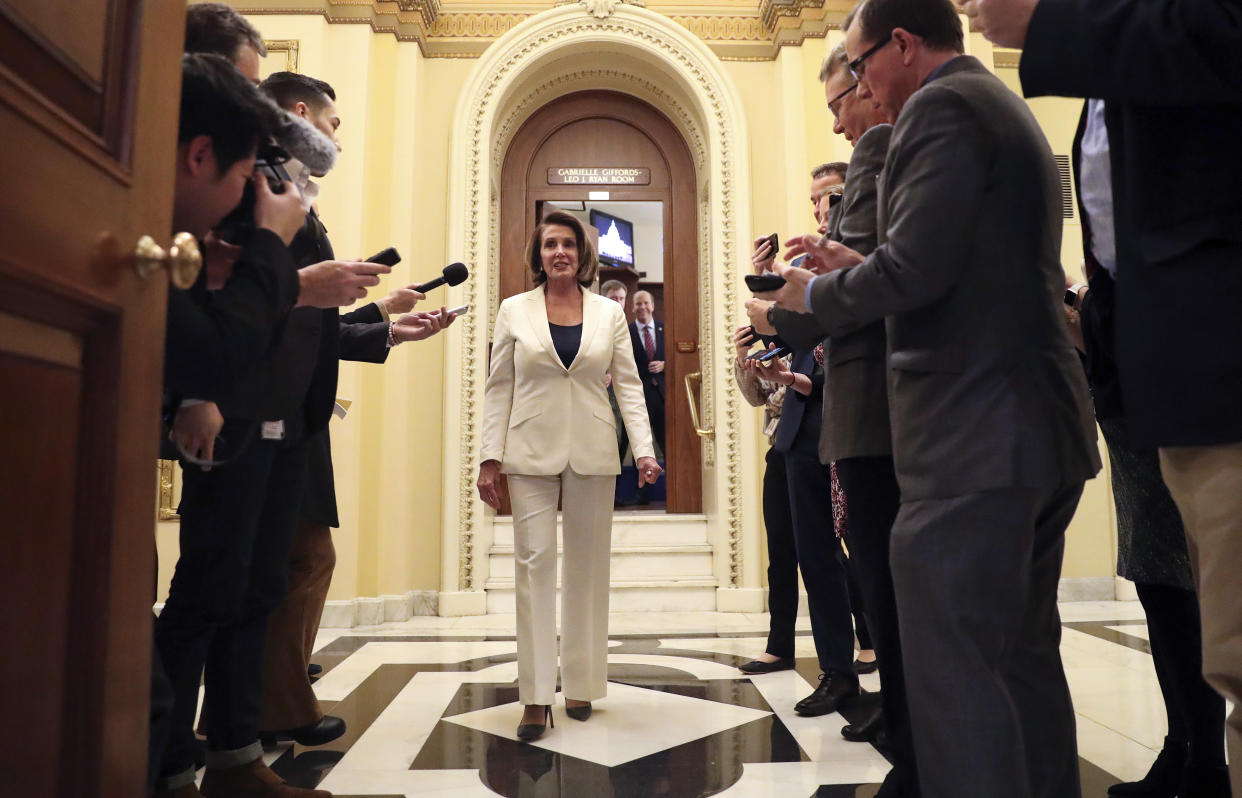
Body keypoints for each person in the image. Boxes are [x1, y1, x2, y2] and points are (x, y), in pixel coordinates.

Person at [772, 1, 1101, 795]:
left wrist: (807, 299)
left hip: (969, 436)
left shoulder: (939, 107)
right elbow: (954, 263)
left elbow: (913, 272)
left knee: (954, 672)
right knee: (1021, 661)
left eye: (857, 68)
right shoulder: (997, 103)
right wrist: (857, 264)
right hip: (1034, 426)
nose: (861, 89)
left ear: (903, 46)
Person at [968, 1, 1242, 792]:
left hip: (1220, 366)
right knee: (1205, 629)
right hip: (1160, 384)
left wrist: (1048, 26)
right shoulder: (1114, 77)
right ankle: (1192, 754)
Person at [247, 72, 454, 748]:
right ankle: (269, 708)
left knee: (302, 559)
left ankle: (272, 703)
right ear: (302, 115)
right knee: (297, 561)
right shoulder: (267, 193)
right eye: (335, 124)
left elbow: (308, 317)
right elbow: (272, 308)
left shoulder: (292, 194)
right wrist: (343, 303)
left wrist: (384, 320)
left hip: (295, 409)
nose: (340, 137)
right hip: (268, 410)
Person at [758, 35, 916, 796]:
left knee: (884, 580)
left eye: (840, 103)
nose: (840, 123)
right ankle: (893, 720)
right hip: (815, 425)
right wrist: (766, 335)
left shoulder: (891, 150)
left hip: (875, 412)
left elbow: (887, 288)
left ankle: (911, 738)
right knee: (835, 565)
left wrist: (786, 311)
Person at [156, 51, 308, 797]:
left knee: (251, 584)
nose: (245, 195)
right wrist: (272, 249)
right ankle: (169, 764)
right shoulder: (143, 238)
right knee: (205, 592)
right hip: (236, 407)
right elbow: (216, 350)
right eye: (242, 177)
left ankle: (227, 754)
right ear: (200, 155)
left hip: (274, 409)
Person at [477, 211, 662, 742]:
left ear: (583, 256)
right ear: (537, 255)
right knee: (533, 568)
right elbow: (498, 387)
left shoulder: (608, 313)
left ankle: (580, 682)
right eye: (549, 244)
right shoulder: (514, 310)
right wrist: (490, 458)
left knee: (587, 568)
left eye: (568, 245)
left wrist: (644, 451)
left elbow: (628, 385)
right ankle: (535, 697)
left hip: (593, 451)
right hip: (528, 452)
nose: (559, 252)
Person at [1066, 273, 1228, 798]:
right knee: (1157, 583)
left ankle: (1205, 763)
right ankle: (1183, 748)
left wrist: (1082, 302)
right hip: (1130, 407)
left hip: (1155, 402)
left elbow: (1129, 315)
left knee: (1170, 586)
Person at [627, 290, 665, 505]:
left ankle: (671, 492)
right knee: (639, 447)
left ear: (652, 305)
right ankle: (641, 495)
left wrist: (665, 364)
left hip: (661, 396)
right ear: (633, 307)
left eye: (646, 303)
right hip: (638, 397)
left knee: (665, 443)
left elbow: (674, 356)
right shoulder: (626, 331)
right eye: (638, 304)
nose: (642, 307)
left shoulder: (663, 329)